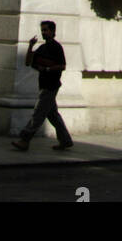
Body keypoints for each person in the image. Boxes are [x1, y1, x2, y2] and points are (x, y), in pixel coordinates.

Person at [11, 20, 73, 151]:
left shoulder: (56, 47)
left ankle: (25, 140)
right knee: (52, 115)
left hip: (51, 86)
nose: (43, 32)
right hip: (43, 84)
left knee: (38, 113)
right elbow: (28, 62)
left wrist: (48, 69)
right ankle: (65, 140)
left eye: (46, 30)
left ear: (52, 31)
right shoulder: (42, 48)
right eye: (42, 30)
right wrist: (30, 47)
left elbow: (62, 66)